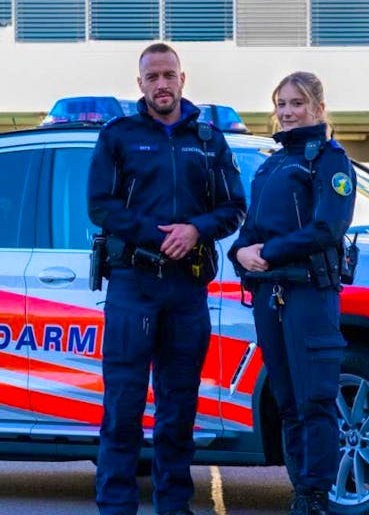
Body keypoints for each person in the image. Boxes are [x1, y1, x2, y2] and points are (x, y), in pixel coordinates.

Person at [88, 43, 247, 515]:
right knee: (123, 405)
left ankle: (174, 506)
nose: (161, 84)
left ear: (183, 79)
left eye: (169, 75)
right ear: (140, 84)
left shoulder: (209, 139)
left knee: (178, 409)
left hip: (186, 287)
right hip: (133, 286)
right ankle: (116, 506)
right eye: (152, 76)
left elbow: (233, 206)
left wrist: (196, 229)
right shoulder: (118, 136)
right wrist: (157, 237)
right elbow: (100, 205)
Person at [228, 72, 356, 515]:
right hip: (270, 297)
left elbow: (328, 227)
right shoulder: (271, 164)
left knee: (314, 399)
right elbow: (248, 234)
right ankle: (300, 491)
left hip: (308, 295)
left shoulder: (329, 160)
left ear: (318, 108)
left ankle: (316, 497)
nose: (286, 112)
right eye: (280, 103)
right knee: (286, 402)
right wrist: (240, 254)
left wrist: (270, 253)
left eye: (296, 103)